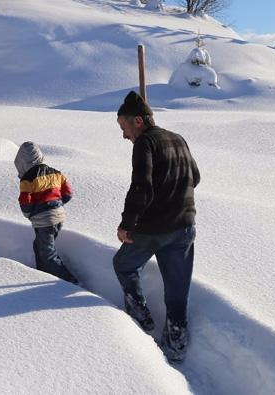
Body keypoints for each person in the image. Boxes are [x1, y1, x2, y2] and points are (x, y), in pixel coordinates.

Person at [113, 91, 200, 363]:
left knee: (123, 264)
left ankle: (140, 313)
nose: (124, 135)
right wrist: (175, 194)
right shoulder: (178, 138)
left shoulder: (145, 143)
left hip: (153, 230)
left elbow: (141, 187)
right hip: (185, 227)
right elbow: (194, 177)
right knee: (177, 292)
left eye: (124, 128)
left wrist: (127, 225)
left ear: (137, 121)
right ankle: (176, 346)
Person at [15, 141, 78, 284]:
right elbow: (68, 193)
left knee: (48, 254)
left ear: (21, 161)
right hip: (59, 216)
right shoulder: (56, 172)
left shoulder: (27, 179)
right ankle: (43, 275)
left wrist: (30, 214)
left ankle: (71, 282)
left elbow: (25, 202)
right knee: (39, 246)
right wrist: (57, 206)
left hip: (44, 220)